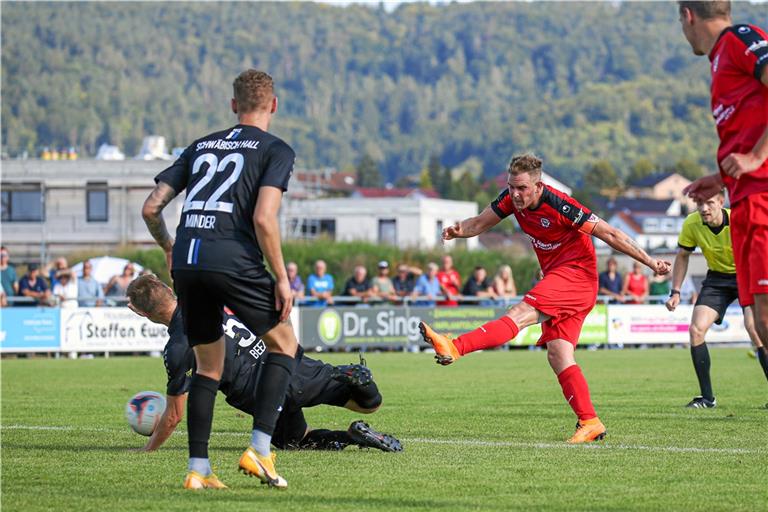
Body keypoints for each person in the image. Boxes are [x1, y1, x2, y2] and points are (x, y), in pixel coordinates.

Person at [418, 153, 671, 443]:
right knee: (559, 354)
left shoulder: (561, 204)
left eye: (522, 188)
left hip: (576, 276)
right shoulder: (509, 200)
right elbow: (478, 224)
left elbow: (611, 234)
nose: (515, 194)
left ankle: (455, 346)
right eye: (512, 187)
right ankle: (590, 422)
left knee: (519, 313)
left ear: (538, 186)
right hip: (560, 278)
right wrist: (458, 231)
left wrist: (651, 262)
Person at [142, 69, 299, 490]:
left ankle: (198, 469)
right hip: (231, 256)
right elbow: (265, 218)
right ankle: (260, 450)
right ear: (274, 105)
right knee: (285, 343)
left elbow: (151, 208)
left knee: (208, 367)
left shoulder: (201, 145)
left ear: (233, 105)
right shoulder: (276, 149)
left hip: (187, 262)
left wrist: (169, 247)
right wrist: (282, 278)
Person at [126, 274, 401, 454]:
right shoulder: (206, 298)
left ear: (140, 312)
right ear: (168, 289)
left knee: (296, 442)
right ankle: (359, 381)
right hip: (285, 364)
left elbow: (174, 416)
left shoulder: (177, 347)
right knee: (369, 404)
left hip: (259, 395)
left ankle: (353, 437)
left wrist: (147, 449)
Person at [679, 2, 768, 363]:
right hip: (744, 197)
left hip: (763, 195)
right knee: (760, 320)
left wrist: (758, 156)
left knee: (765, 317)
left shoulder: (739, 39)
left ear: (688, 16)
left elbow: (754, 152)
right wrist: (721, 178)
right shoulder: (720, 60)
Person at [665, 190, 768, 408]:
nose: (704, 208)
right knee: (696, 330)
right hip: (717, 279)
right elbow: (683, 256)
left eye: (709, 203)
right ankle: (707, 399)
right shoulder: (691, 224)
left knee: (755, 329)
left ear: (722, 202)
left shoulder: (739, 220)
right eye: (700, 203)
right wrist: (675, 291)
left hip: (747, 274)